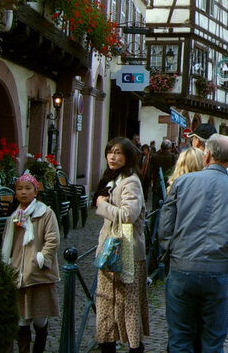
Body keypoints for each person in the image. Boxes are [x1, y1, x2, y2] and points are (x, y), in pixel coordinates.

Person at [159, 134, 228, 353]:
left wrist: (171, 254)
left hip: (182, 266)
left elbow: (165, 227)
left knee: (180, 340)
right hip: (218, 269)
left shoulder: (182, 183)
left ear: (207, 155)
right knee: (213, 342)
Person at [93, 137, 149, 353]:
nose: (112, 157)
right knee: (106, 302)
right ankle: (107, 343)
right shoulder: (112, 178)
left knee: (128, 304)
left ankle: (134, 346)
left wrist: (102, 205)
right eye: (110, 152)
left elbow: (128, 215)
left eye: (118, 153)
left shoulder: (131, 181)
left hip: (127, 251)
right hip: (109, 250)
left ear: (128, 157)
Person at [1, 174, 60, 353]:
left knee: (40, 320)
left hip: (38, 275)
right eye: (20, 189)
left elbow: (53, 240)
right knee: (22, 320)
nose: (24, 192)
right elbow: (7, 243)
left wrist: (41, 258)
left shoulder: (45, 213)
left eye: (28, 188)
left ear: (36, 192)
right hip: (19, 275)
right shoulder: (14, 217)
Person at [150, 138, 177, 208]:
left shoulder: (154, 156)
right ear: (170, 148)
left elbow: (151, 170)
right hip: (168, 183)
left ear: (161, 147)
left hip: (157, 182)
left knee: (155, 205)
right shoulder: (173, 157)